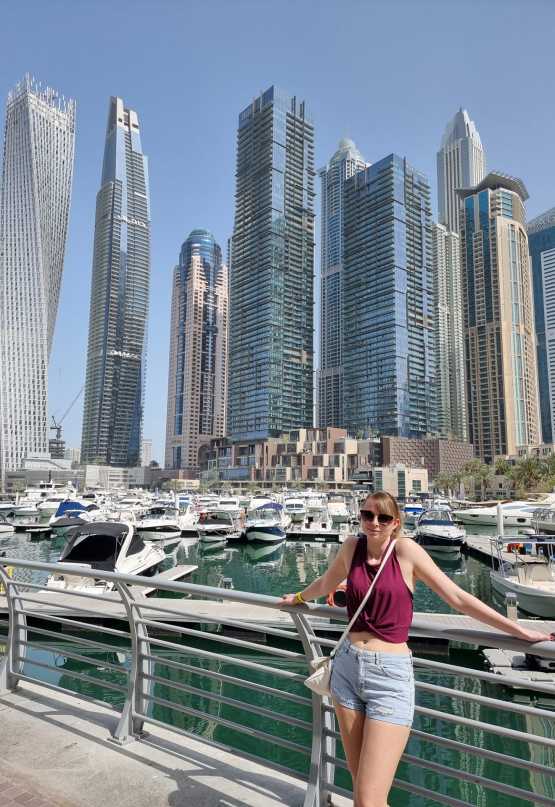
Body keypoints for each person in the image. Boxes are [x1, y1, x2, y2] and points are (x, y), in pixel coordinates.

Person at [281, 491, 554, 807]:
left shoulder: (406, 552)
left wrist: (519, 630)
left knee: (369, 799)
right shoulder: (351, 548)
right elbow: (326, 583)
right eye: (368, 515)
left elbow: (458, 598)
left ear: (395, 523)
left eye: (383, 517)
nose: (374, 522)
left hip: (389, 677)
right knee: (362, 792)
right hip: (346, 670)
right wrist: (299, 600)